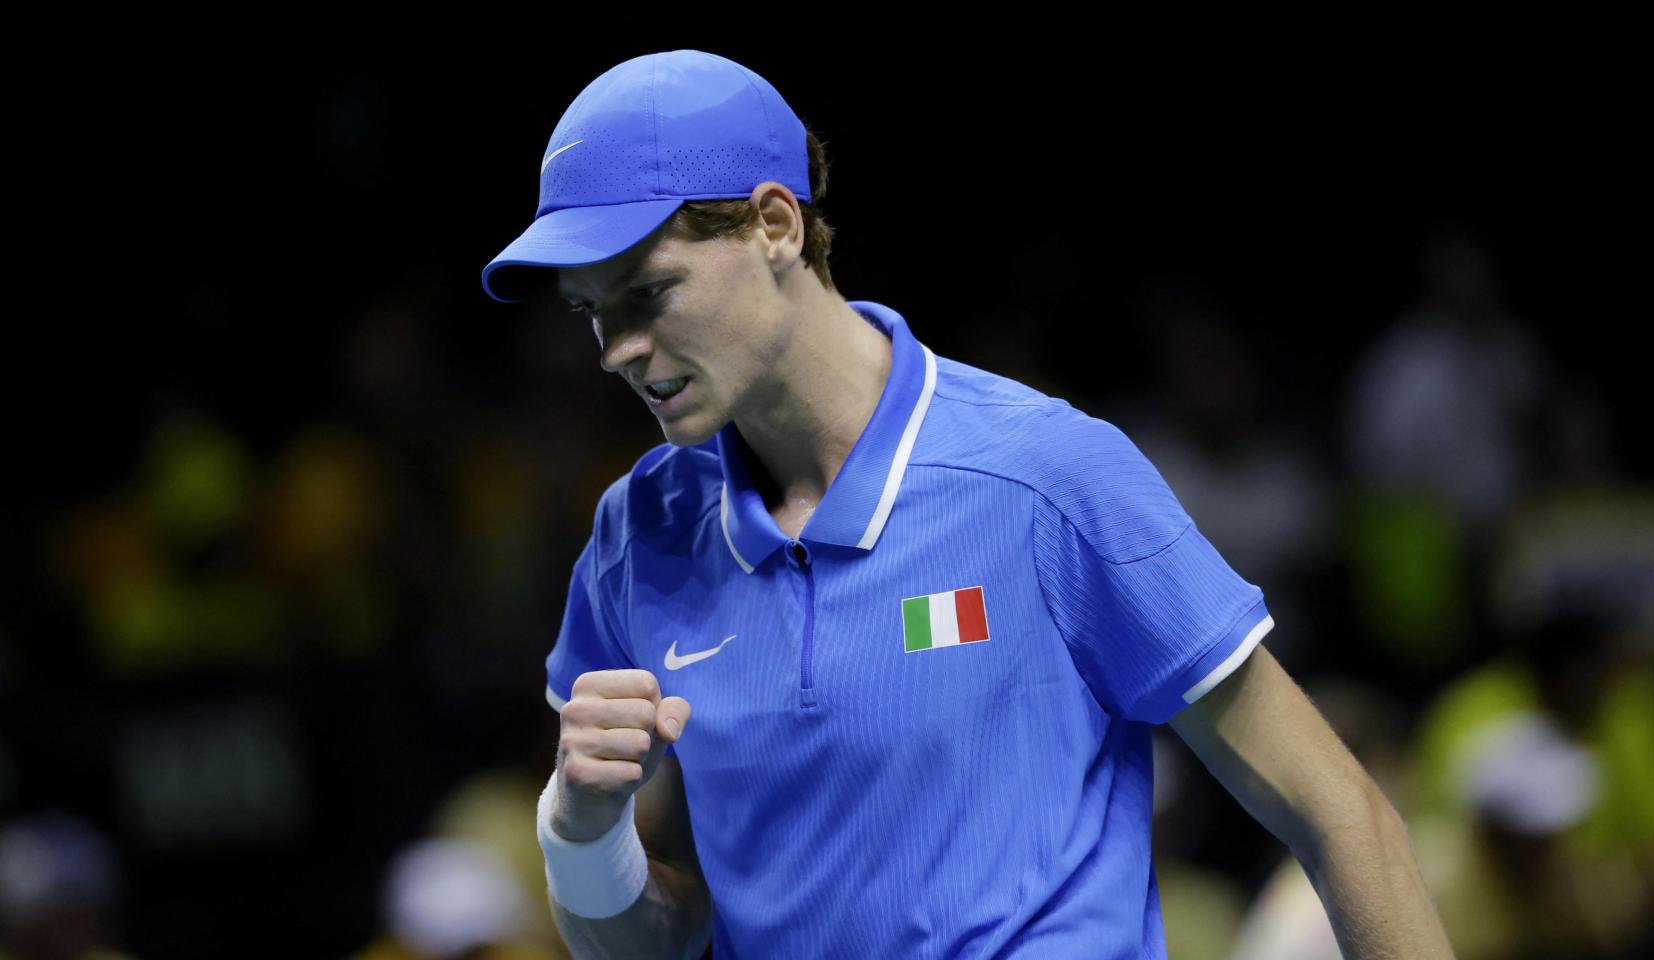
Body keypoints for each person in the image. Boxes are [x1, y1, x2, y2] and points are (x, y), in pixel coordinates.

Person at [481, 49, 1454, 960]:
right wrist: (580, 834)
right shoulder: (634, 538)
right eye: (591, 309)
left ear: (775, 224)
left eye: (648, 292)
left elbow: (1338, 815)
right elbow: (664, 937)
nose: (614, 347)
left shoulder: (1045, 477)